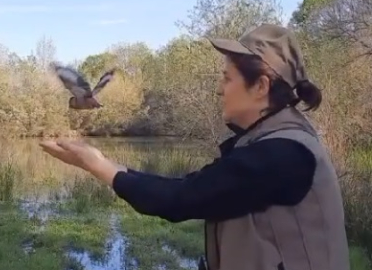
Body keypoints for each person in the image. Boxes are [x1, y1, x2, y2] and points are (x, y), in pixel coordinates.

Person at [40, 24, 350, 270]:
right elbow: (194, 188)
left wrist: (94, 163)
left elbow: (182, 198)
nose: (219, 89)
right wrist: (103, 162)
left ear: (260, 86)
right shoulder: (272, 141)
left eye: (226, 79)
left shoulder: (283, 154)